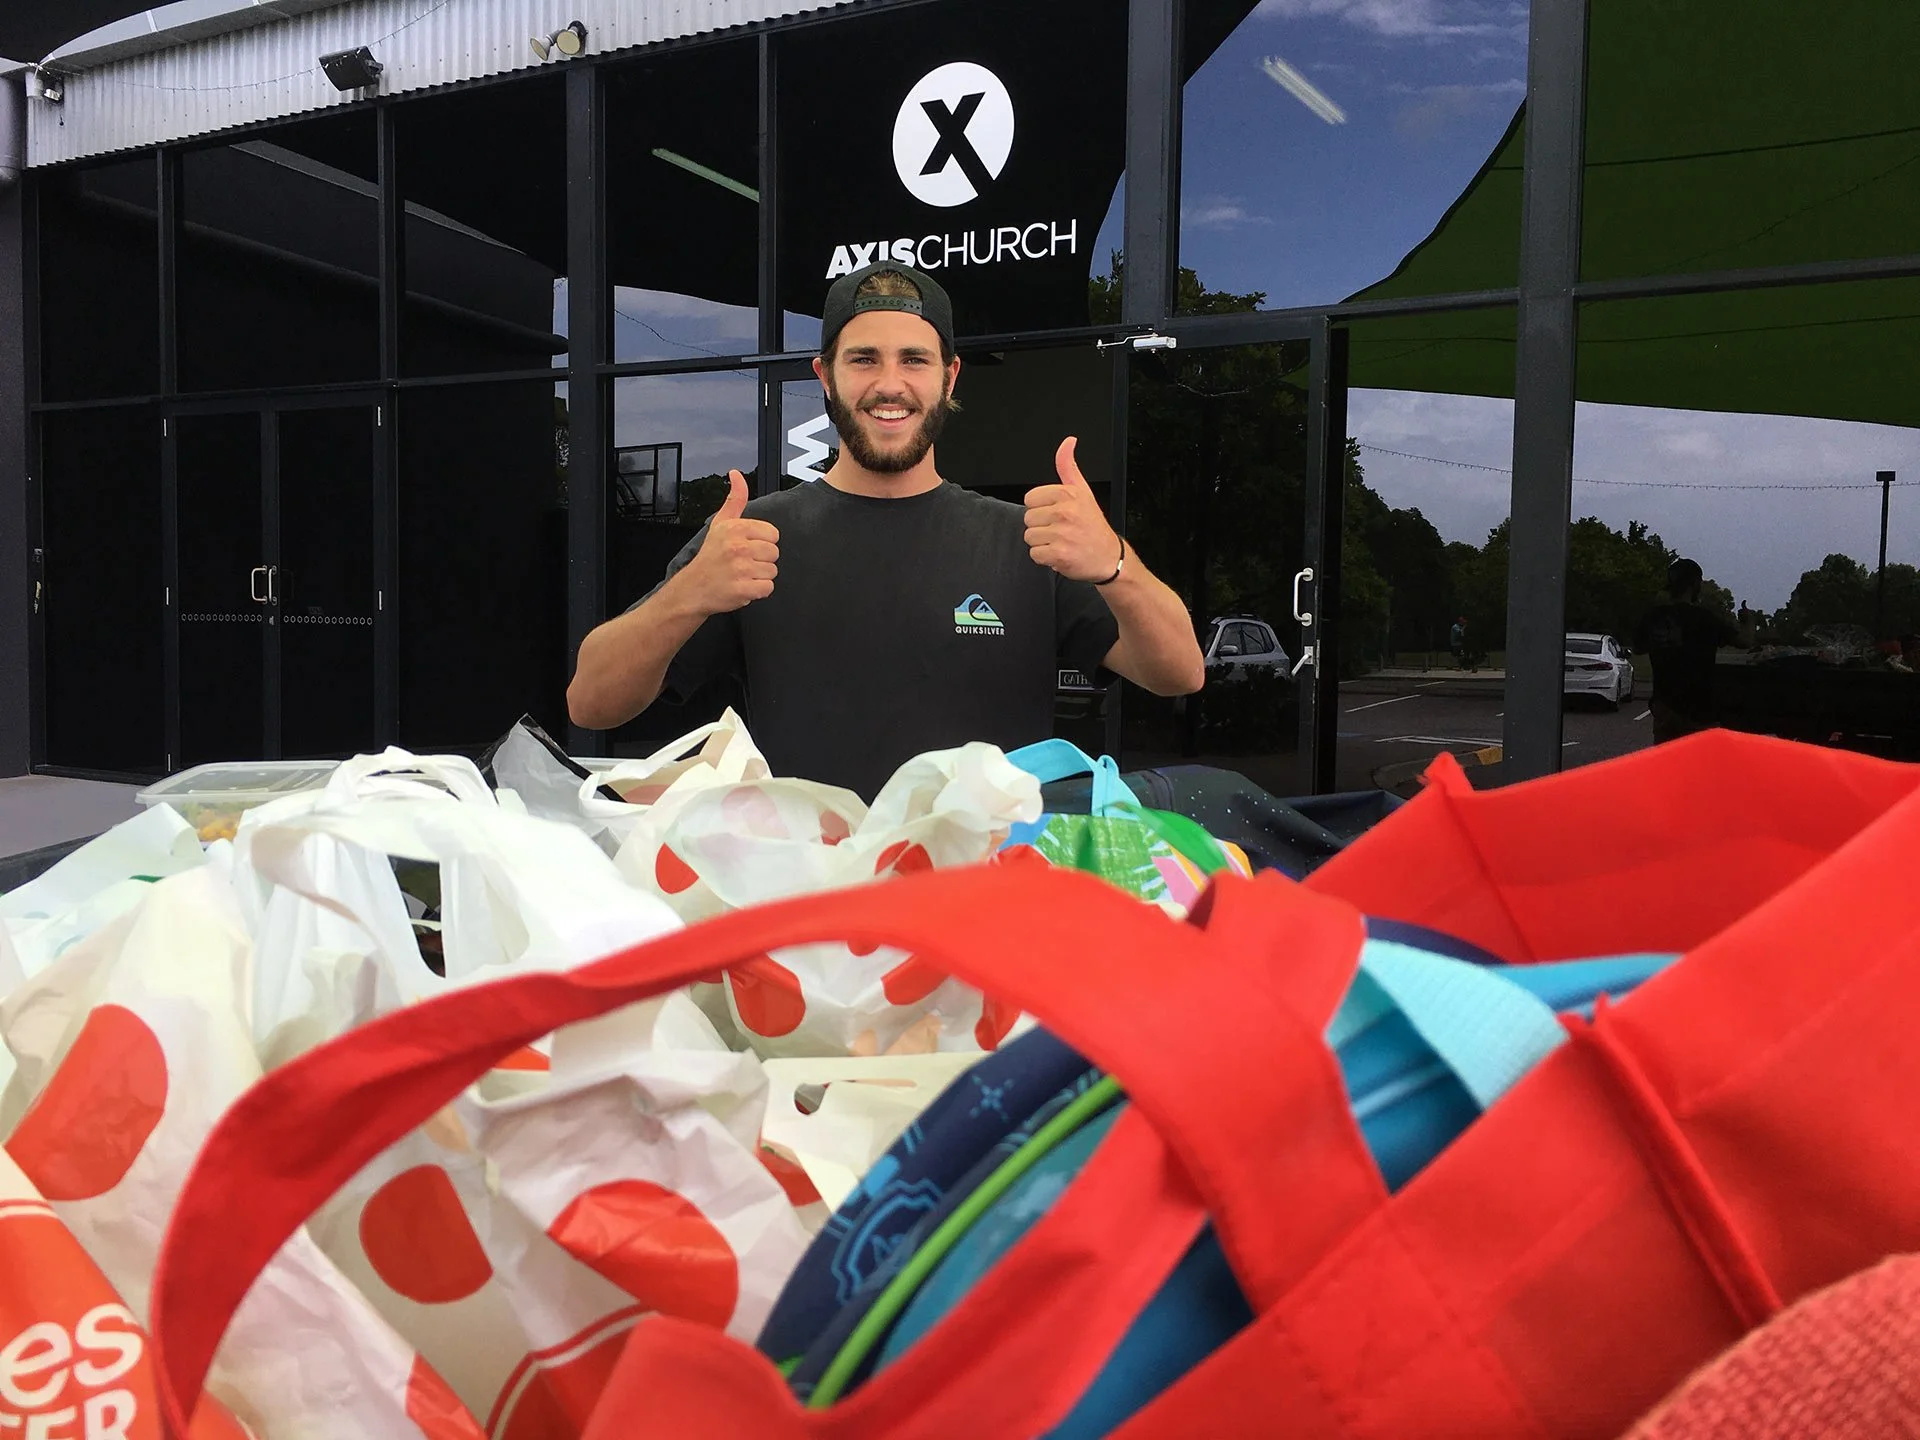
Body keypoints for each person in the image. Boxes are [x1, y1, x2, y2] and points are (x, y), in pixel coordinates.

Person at [567, 263, 1205, 799]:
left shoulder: (1026, 541)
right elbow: (591, 703)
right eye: (864, 359)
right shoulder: (754, 536)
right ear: (826, 375)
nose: (889, 384)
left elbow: (1179, 673)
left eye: (915, 360)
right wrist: (689, 596)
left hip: (983, 905)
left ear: (949, 377)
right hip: (810, 908)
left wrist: (1114, 565)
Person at [1635, 557, 1740, 745]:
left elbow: (1638, 648)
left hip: (1664, 708)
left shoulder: (1653, 617)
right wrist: (1748, 621)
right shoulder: (1705, 619)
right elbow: (1744, 641)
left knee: (1666, 765)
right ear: (1695, 584)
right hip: (1699, 710)